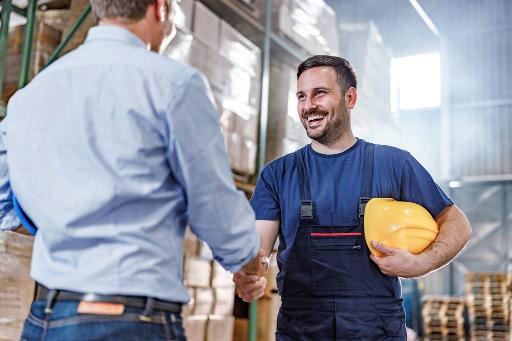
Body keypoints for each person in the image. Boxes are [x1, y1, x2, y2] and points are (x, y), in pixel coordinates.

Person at [0, 0, 265, 340]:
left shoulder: (31, 95)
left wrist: (66, 219)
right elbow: (213, 207)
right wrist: (250, 265)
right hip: (133, 320)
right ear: (160, 8)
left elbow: (4, 201)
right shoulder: (175, 85)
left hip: (48, 319)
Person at [233, 55, 472, 340]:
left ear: (350, 98)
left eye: (319, 93)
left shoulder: (393, 164)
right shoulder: (277, 174)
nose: (308, 106)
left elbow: (458, 224)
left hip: (376, 329)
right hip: (302, 329)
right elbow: (259, 250)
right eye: (301, 96)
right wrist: (250, 273)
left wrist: (422, 264)